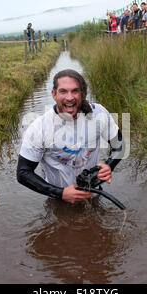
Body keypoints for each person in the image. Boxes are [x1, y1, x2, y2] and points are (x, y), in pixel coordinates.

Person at [17, 69, 124, 204]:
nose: (69, 97)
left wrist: (109, 166)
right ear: (54, 94)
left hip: (93, 190)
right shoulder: (40, 128)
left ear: (82, 94)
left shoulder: (98, 114)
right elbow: (23, 173)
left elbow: (119, 144)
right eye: (63, 91)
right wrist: (60, 193)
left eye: (75, 91)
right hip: (58, 196)